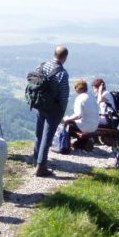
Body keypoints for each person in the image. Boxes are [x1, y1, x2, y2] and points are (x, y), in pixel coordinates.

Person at [33, 45, 70, 176]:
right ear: (65, 58)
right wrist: (62, 111)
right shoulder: (62, 73)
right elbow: (64, 96)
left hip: (40, 104)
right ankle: (41, 167)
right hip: (54, 109)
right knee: (47, 138)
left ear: (54, 54)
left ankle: (36, 158)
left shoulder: (42, 66)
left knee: (39, 134)